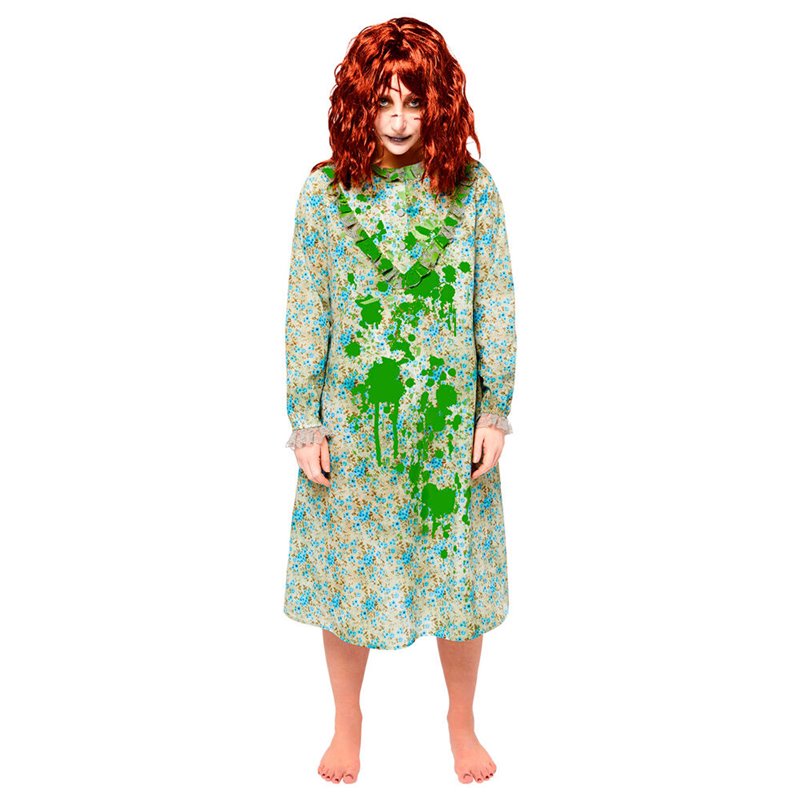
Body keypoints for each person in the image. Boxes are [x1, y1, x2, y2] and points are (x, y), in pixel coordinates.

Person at [282, 16, 516, 785]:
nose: (399, 119)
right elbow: (308, 309)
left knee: (458, 581)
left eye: (415, 102)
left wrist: (493, 409)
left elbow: (494, 303)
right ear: (359, 104)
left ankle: (461, 720)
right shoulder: (325, 196)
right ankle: (346, 719)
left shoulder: (472, 192)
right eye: (384, 101)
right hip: (356, 427)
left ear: (438, 105)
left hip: (447, 430)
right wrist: (306, 419)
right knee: (349, 582)